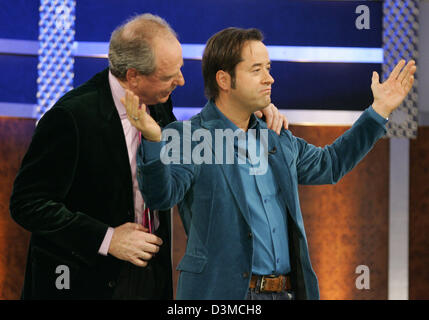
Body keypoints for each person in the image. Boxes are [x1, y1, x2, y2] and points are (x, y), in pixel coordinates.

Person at [124, 27, 416, 300]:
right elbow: (161, 195)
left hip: (285, 292)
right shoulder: (188, 137)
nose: (269, 78)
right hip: (221, 294)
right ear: (224, 80)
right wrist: (152, 140)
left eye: (268, 68)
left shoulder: (277, 137)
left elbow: (330, 164)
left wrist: (379, 111)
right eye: (256, 70)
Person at [9, 15, 287, 299]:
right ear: (133, 76)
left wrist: (245, 112)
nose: (180, 80)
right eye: (169, 76)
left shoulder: (159, 104)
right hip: (82, 278)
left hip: (148, 276)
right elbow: (28, 203)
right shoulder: (70, 118)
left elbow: (191, 141)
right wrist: (108, 239)